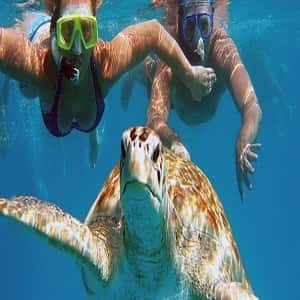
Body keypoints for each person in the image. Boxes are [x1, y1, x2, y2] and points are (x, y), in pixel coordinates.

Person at [0, 0, 214, 166]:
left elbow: (154, 32)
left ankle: (92, 130)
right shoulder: (38, 67)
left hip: (82, 92)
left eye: (86, 31)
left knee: (87, 99)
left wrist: (190, 75)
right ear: (56, 32)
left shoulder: (104, 63)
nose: (77, 49)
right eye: (67, 32)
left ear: (95, 31)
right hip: (35, 31)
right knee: (27, 91)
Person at [145, 0, 262, 199]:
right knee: (146, 71)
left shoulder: (221, 47)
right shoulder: (170, 50)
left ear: (213, 20)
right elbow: (154, 118)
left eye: (205, 25)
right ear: (179, 24)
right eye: (190, 27)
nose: (198, 38)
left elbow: (252, 106)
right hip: (172, 101)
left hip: (182, 103)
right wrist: (174, 142)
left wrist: (243, 139)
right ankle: (136, 74)